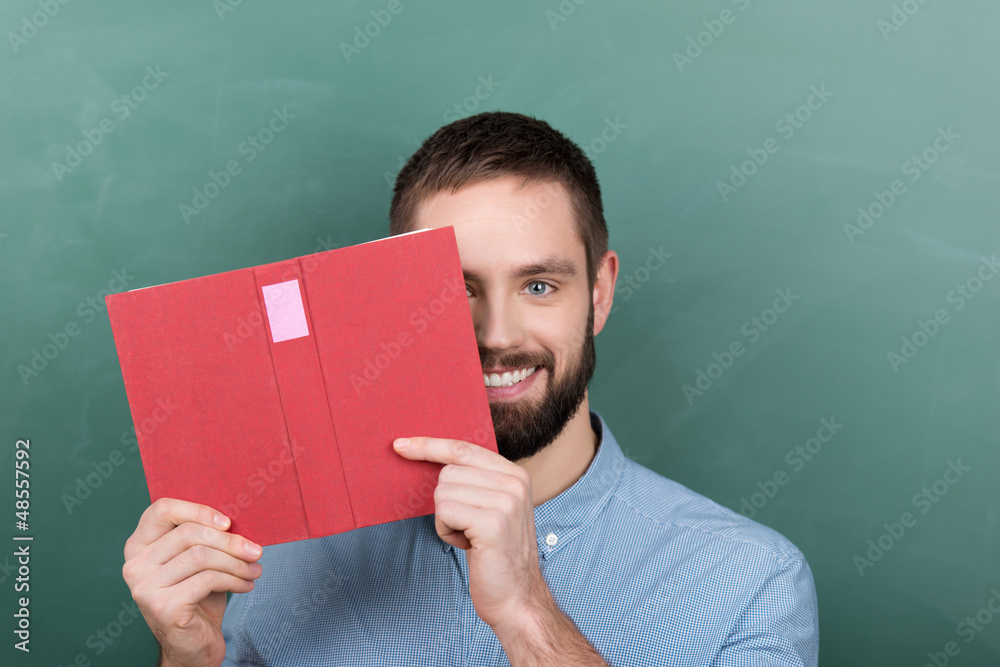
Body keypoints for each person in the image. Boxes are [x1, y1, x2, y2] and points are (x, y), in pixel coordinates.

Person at [122, 111, 819, 666]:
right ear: (390, 295)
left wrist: (527, 613)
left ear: (600, 293)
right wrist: (188, 661)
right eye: (457, 289)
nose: (496, 333)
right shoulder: (271, 564)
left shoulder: (748, 581)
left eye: (539, 285)